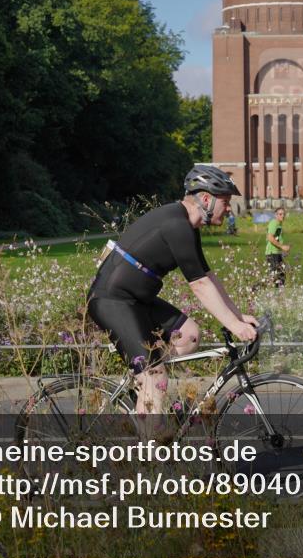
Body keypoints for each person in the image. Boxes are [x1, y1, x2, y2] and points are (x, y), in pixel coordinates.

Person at [86, 165, 258, 420]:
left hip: (137, 300)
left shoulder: (186, 225)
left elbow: (207, 276)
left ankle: (145, 389)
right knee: (155, 378)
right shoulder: (176, 225)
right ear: (207, 199)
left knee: (188, 336)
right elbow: (199, 285)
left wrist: (237, 317)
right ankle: (149, 429)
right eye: (226, 201)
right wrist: (234, 326)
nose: (229, 208)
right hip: (113, 301)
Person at [265, 207, 290, 287]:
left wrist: (283, 249)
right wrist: (282, 246)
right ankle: (254, 289)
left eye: (284, 214)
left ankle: (279, 293)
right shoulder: (274, 223)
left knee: (281, 276)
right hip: (272, 253)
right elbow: (270, 237)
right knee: (274, 277)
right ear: (275, 215)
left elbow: (276, 238)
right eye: (280, 214)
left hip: (277, 253)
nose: (282, 216)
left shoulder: (279, 224)